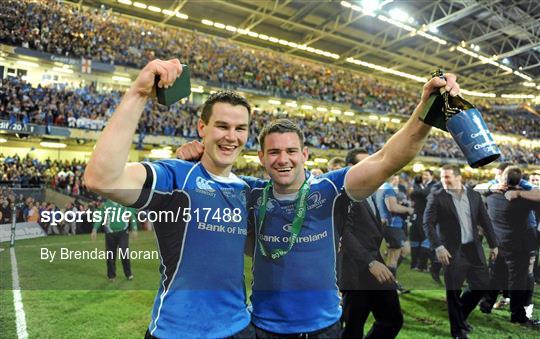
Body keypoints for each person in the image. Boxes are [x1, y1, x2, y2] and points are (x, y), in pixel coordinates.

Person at [177, 72, 460, 336]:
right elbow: (209, 175)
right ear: (261, 157)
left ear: (305, 155)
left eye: (291, 151)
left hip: (325, 328)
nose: (283, 159)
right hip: (264, 328)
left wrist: (426, 108)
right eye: (273, 152)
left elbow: (389, 159)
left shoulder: (331, 189)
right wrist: (194, 155)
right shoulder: (248, 192)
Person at [84, 59, 255, 338]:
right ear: (202, 127)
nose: (231, 137)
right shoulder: (176, 177)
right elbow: (101, 178)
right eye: (222, 126)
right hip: (176, 331)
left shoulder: (249, 190)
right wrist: (138, 94)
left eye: (241, 128)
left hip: (239, 328)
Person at [423, 164, 498, 339]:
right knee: (454, 292)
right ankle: (457, 331)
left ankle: (460, 317)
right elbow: (428, 224)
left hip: (474, 249)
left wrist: (494, 244)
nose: (444, 181)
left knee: (482, 286)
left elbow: (485, 221)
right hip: (452, 251)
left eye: (447, 177)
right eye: (442, 178)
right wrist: (438, 247)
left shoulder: (474, 195)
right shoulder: (437, 197)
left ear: (458, 177)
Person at [339, 148, 403, 338]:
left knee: (392, 319)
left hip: (373, 263)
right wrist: (370, 262)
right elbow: (344, 232)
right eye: (364, 164)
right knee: (353, 327)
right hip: (356, 269)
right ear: (350, 167)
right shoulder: (344, 194)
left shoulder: (369, 190)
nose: (371, 169)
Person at [485, 166, 540, 327]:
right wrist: (519, 193)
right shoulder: (522, 199)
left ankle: (486, 304)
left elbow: (477, 188)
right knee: (518, 281)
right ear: (521, 180)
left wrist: (491, 187)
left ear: (502, 178)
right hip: (519, 246)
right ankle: (517, 315)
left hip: (500, 242)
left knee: (497, 275)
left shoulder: (491, 195)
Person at [376, 174, 414, 293]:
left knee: (405, 250)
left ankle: (388, 279)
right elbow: (393, 207)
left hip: (393, 226)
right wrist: (408, 210)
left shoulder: (382, 187)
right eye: (396, 179)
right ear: (392, 178)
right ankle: (390, 286)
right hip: (392, 226)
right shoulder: (388, 188)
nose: (397, 181)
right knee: (393, 257)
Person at [91, 199, 138, 281]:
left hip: (123, 232)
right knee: (110, 255)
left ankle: (128, 274)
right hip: (110, 233)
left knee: (124, 252)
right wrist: (94, 229)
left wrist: (134, 228)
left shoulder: (124, 203)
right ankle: (111, 275)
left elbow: (132, 216)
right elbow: (99, 217)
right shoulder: (105, 205)